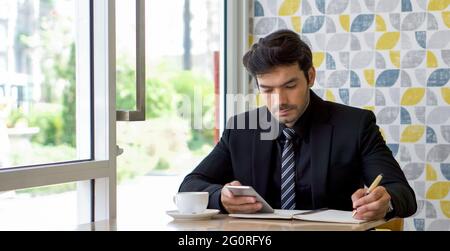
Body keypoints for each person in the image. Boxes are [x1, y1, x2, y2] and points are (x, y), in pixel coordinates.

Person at [179, 29, 417, 221]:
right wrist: (220, 197)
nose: (279, 101)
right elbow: (190, 185)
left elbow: (403, 193)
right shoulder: (241, 129)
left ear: (310, 77)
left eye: (290, 86)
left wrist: (385, 202)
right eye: (268, 90)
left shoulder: (356, 125)